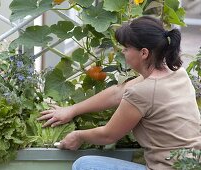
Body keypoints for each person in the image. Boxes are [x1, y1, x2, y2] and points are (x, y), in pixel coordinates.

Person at [38, 16, 201, 170]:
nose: (122, 52)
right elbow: (118, 93)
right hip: (194, 164)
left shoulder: (143, 92)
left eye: (126, 48)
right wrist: (71, 110)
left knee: (85, 165)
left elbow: (108, 136)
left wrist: (77, 136)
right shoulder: (177, 73)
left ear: (144, 53)